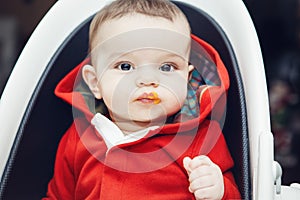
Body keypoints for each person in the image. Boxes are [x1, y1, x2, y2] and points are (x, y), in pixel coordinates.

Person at [44, 0, 241, 199]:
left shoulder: (201, 137)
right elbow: (58, 196)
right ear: (95, 83)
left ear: (186, 79)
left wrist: (219, 190)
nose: (148, 80)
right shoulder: (80, 137)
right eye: (125, 66)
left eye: (167, 67)